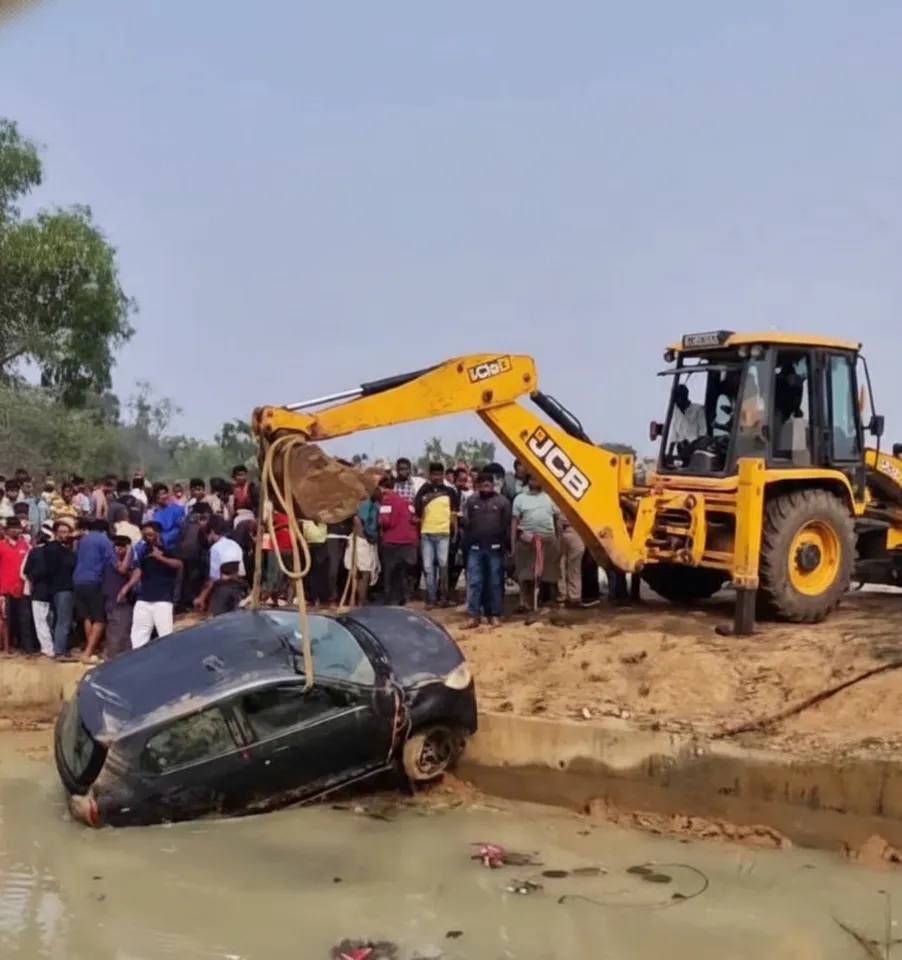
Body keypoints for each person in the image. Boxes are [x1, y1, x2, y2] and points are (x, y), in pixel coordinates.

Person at [460, 472, 510, 628]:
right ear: (478, 486)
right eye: (481, 485)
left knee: (495, 582)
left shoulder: (502, 502)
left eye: (488, 485)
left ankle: (495, 615)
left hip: (495, 549)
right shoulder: (471, 501)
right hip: (475, 548)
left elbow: (507, 525)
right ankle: (474, 615)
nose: (485, 488)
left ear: (493, 484)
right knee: (474, 582)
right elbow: (466, 525)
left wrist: (506, 547)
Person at [124, 521, 183, 649]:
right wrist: (127, 587)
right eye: (144, 534)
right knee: (138, 636)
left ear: (157, 533)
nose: (147, 537)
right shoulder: (143, 550)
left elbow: (179, 564)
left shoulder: (170, 548)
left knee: (165, 636)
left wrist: (160, 558)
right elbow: (139, 570)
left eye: (150, 534)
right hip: (143, 598)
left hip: (163, 599)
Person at [414, 462, 459, 608]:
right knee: (428, 567)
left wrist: (455, 531)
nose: (436, 477)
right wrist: (426, 494)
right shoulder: (423, 491)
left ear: (443, 474)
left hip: (444, 533)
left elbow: (454, 514)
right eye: (434, 474)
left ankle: (444, 597)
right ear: (429, 474)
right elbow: (417, 510)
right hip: (426, 533)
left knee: (443, 565)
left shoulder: (450, 492)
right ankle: (431, 599)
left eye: (439, 474)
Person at [73, 518, 118, 660]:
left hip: (78, 580)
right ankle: (88, 652)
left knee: (88, 617)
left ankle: (90, 648)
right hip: (94, 580)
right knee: (99, 618)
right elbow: (112, 561)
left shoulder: (82, 540)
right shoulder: (104, 540)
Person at [378, 475, 418, 606]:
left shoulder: (386, 502)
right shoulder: (407, 502)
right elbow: (414, 519)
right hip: (409, 542)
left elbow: (385, 522)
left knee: (390, 573)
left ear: (384, 489)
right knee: (404, 572)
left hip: (392, 542)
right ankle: (404, 598)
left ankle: (390, 600)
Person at [194, 516, 245, 612]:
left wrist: (201, 597)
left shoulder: (215, 548)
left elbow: (213, 578)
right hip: (238, 588)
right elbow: (242, 572)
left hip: (223, 589)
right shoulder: (235, 544)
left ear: (212, 532)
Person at [44, 520, 77, 656]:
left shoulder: (62, 548)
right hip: (62, 587)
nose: (65, 535)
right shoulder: (54, 548)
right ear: (55, 533)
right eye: (62, 532)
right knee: (63, 621)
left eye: (67, 532)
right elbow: (69, 563)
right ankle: (60, 650)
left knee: (59, 620)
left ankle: (60, 646)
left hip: (57, 588)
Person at [345, 488, 381, 607]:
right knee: (364, 572)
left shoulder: (368, 504)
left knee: (361, 572)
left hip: (362, 540)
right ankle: (360, 601)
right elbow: (361, 523)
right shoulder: (366, 505)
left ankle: (360, 599)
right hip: (362, 541)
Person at [0, 518, 32, 652]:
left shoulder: (26, 546)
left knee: (24, 619)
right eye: (11, 528)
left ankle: (25, 647)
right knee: (6, 619)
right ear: (6, 530)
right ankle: (7, 647)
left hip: (22, 589)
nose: (14, 530)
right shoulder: (1, 545)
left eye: (17, 527)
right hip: (4, 589)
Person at [23, 522, 55, 657]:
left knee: (40, 621)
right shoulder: (55, 552)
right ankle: (54, 645)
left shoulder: (34, 552)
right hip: (54, 591)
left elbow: (27, 571)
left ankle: (47, 648)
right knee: (51, 619)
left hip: (38, 591)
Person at [104, 535, 136, 658]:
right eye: (117, 546)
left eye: (122, 546)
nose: (118, 549)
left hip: (120, 601)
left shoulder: (129, 561)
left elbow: (133, 572)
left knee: (123, 631)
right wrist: (129, 550)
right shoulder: (111, 557)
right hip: (115, 600)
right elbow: (123, 569)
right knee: (117, 633)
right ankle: (113, 659)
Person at [557, 513, 585, 607]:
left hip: (564, 531)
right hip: (576, 531)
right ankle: (574, 596)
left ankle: (564, 596)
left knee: (562, 566)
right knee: (573, 568)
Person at [301, 518, 330, 607]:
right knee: (313, 573)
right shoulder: (306, 516)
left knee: (320, 573)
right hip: (310, 544)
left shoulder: (321, 515)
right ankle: (313, 598)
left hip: (321, 543)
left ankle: (319, 598)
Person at [669, 383, 707, 448]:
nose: (677, 402)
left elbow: (703, 433)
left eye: (679, 398)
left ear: (685, 396)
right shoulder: (676, 413)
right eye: (675, 400)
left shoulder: (698, 409)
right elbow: (673, 437)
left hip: (696, 449)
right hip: (681, 450)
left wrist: (691, 444)